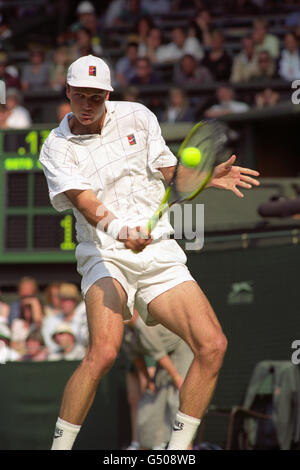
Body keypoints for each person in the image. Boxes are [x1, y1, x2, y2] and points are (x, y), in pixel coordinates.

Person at [39, 54, 260, 451]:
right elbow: (86, 203)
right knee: (104, 352)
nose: (87, 105)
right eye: (80, 96)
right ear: (67, 92)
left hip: (158, 251)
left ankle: (177, 453)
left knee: (213, 346)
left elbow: (171, 172)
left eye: (96, 97)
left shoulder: (138, 117)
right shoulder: (56, 147)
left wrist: (207, 178)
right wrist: (122, 231)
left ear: (108, 94)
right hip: (104, 253)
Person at [123, 310, 193, 450]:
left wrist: (176, 377)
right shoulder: (125, 334)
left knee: (176, 401)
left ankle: (185, 448)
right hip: (164, 359)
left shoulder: (142, 326)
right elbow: (137, 358)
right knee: (150, 400)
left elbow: (158, 353)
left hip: (180, 350)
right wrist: (149, 379)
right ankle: (149, 443)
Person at [42, 283, 88, 354]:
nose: (65, 303)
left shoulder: (83, 319)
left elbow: (86, 341)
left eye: (69, 300)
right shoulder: (50, 320)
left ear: (75, 301)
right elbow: (51, 346)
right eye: (62, 300)